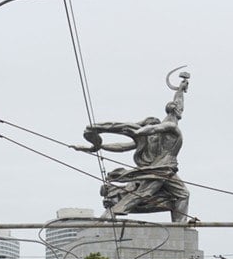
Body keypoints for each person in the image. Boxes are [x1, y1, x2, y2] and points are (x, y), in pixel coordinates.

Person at [75, 70, 191, 222]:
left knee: (177, 194)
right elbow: (124, 145)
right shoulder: (158, 133)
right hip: (161, 169)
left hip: (163, 169)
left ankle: (179, 227)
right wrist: (102, 147)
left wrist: (181, 90)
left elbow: (177, 107)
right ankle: (113, 212)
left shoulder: (169, 127)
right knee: (146, 193)